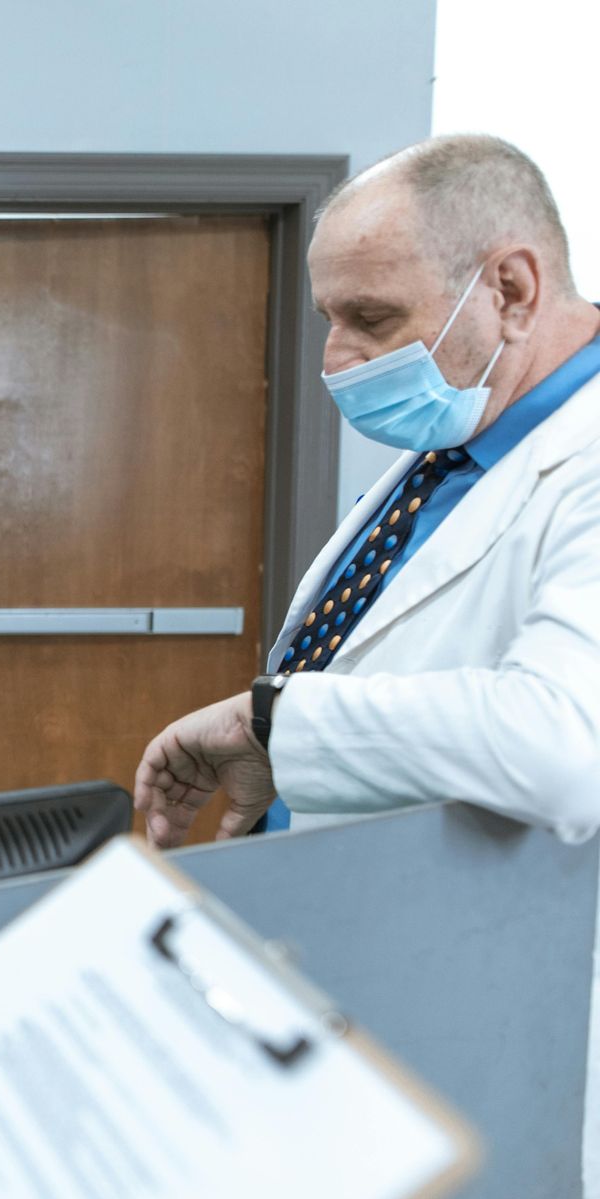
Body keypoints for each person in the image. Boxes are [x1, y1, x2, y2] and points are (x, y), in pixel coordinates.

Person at [134, 134, 600, 851]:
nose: (336, 358)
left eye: (372, 319)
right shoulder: (453, 445)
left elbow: (566, 747)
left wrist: (275, 723)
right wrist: (282, 759)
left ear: (511, 290)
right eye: (331, 319)